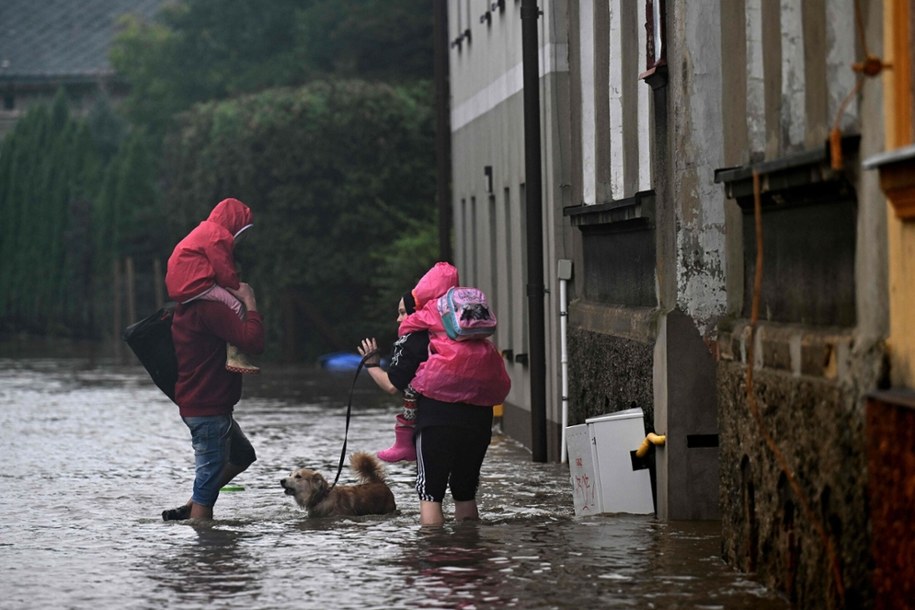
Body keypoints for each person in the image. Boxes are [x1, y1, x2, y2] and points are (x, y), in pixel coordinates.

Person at [397, 262, 511, 526]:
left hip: (438, 413)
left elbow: (397, 376)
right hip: (479, 416)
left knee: (430, 492)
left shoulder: (428, 314)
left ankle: (433, 555)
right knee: (465, 489)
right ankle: (469, 553)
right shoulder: (467, 310)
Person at [162, 280, 264, 521]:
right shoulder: (210, 310)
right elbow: (254, 342)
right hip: (209, 411)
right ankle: (207, 550)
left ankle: (190, 508)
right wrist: (250, 301)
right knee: (207, 492)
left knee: (242, 455)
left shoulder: (185, 307)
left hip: (200, 405)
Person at [165, 197, 260, 374]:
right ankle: (235, 356)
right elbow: (223, 267)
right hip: (195, 285)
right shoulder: (218, 235)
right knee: (235, 306)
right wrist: (238, 289)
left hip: (182, 287)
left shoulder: (205, 230)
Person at [356, 291, 429, 463]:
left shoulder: (411, 342)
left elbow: (391, 385)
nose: (398, 319)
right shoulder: (440, 337)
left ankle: (404, 445)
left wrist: (371, 365)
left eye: (403, 312)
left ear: (416, 311)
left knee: (429, 485)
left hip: (431, 421)